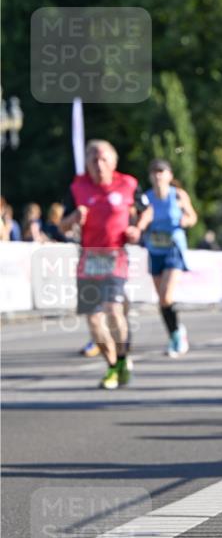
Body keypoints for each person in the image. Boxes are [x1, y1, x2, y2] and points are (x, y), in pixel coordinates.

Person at [60, 140, 146, 389]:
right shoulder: (78, 187)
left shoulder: (128, 184)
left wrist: (136, 228)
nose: (98, 164)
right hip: (88, 258)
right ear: (86, 163)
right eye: (93, 159)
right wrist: (73, 218)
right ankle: (112, 366)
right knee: (93, 320)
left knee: (112, 311)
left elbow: (145, 211)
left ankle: (121, 360)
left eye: (103, 159)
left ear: (114, 162)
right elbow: (62, 225)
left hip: (115, 256)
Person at [141, 159, 197, 356]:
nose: (158, 175)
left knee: (167, 296)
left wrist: (186, 220)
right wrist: (142, 222)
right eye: (154, 171)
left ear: (169, 175)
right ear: (150, 176)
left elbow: (193, 217)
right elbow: (138, 221)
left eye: (162, 171)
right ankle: (175, 333)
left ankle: (177, 337)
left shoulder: (178, 195)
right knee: (162, 300)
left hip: (174, 247)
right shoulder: (146, 198)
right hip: (154, 249)